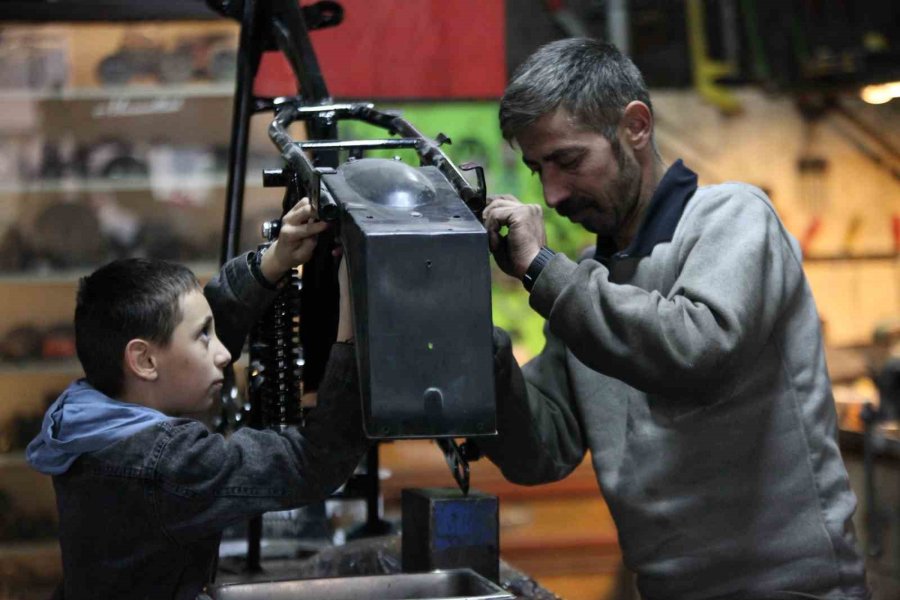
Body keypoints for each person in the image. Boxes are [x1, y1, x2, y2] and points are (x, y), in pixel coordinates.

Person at [481, 38, 868, 599]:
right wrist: (477, 351)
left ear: (635, 126)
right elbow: (544, 449)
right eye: (539, 169)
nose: (554, 193)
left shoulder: (732, 218)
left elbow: (697, 349)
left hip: (789, 589)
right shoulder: (592, 283)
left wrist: (544, 269)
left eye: (568, 161)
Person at [26, 198, 367, 600]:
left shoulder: (90, 412)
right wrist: (353, 321)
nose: (223, 355)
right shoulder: (168, 463)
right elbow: (316, 461)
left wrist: (274, 261)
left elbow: (189, 336)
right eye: (204, 337)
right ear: (144, 359)